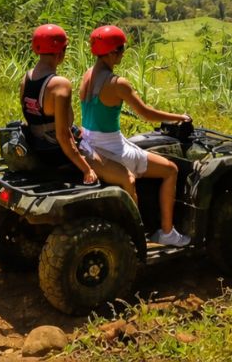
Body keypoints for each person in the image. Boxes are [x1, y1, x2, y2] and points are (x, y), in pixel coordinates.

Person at [78, 24, 192, 247]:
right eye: (120, 49)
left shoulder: (87, 75)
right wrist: (179, 117)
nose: (122, 53)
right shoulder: (118, 83)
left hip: (89, 142)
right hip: (112, 147)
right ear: (112, 53)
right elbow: (146, 113)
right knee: (171, 170)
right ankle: (167, 232)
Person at [21, 24, 131, 189]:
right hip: (58, 152)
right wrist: (86, 169)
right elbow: (63, 136)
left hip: (39, 146)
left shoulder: (26, 78)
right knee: (126, 178)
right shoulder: (59, 85)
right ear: (61, 52)